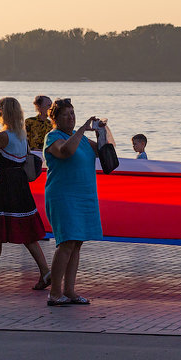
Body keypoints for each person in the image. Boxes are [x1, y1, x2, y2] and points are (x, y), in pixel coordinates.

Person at [0, 97, 52, 291]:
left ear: (3, 112)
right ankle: (45, 271)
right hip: (20, 184)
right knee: (27, 233)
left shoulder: (4, 136)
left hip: (4, 185)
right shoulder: (21, 135)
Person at [43, 98, 104, 306]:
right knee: (66, 242)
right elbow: (65, 152)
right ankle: (54, 292)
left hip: (84, 194)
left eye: (72, 113)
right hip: (63, 195)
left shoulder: (83, 140)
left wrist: (101, 132)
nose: (71, 117)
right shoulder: (53, 137)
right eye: (66, 114)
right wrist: (81, 130)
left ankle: (69, 291)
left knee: (77, 243)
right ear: (56, 118)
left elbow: (106, 152)